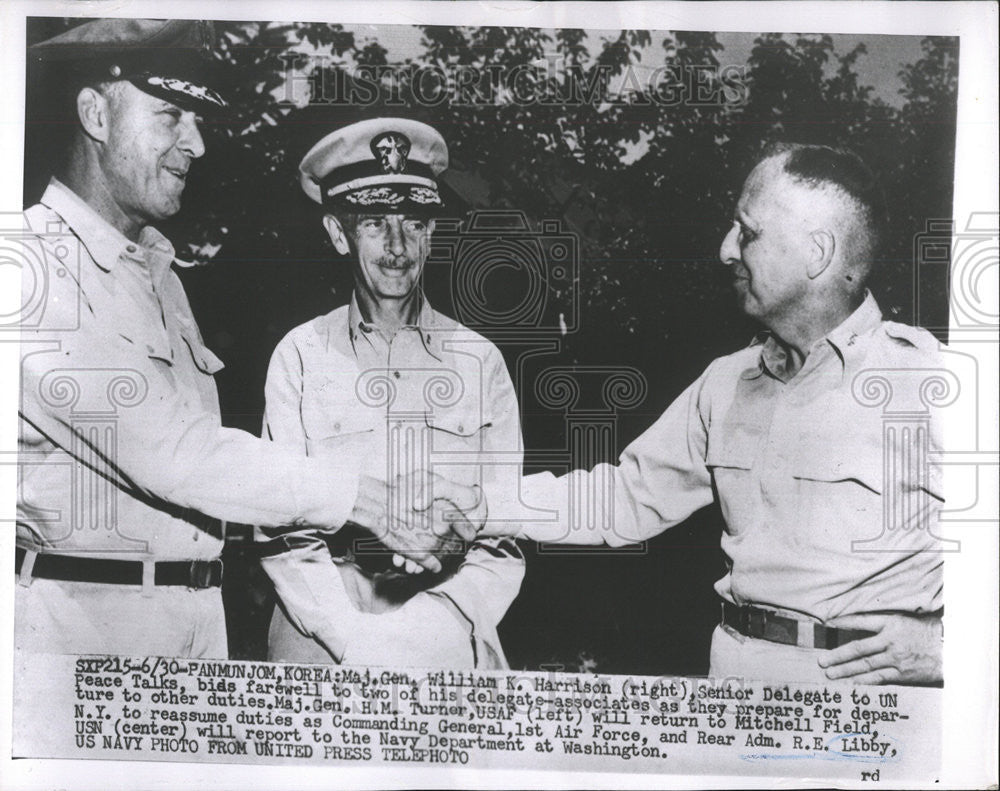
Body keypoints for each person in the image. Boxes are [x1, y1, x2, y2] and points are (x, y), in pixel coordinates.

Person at [16, 19, 470, 659]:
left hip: (196, 621)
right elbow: (177, 453)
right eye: (172, 115)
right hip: (82, 634)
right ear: (94, 113)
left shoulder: (156, 274)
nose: (196, 144)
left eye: (198, 121)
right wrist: (372, 502)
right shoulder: (29, 268)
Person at [476, 143, 945, 685]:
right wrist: (477, 506)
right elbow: (625, 497)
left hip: (865, 705)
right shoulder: (726, 383)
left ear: (818, 253)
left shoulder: (935, 384)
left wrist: (953, 648)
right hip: (732, 689)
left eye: (748, 232)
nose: (726, 250)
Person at [257, 118, 525, 669]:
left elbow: (504, 530)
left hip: (448, 620)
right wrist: (349, 637)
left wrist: (443, 619)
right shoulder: (300, 355)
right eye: (375, 222)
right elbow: (278, 527)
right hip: (320, 629)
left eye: (414, 223)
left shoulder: (481, 361)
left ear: (431, 233)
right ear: (339, 233)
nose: (398, 246)